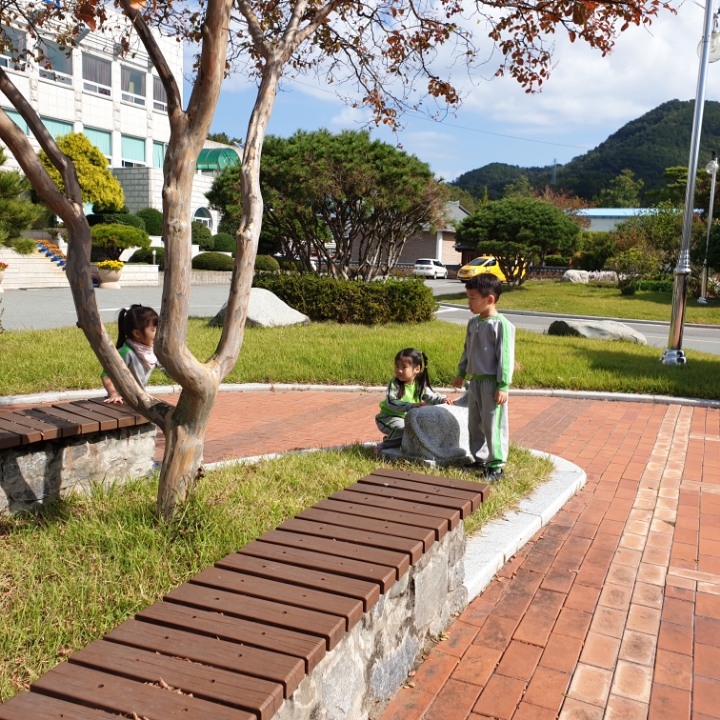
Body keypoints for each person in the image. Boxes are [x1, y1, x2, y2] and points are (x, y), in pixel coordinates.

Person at [452, 274, 515, 481]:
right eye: (468, 297)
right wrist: (462, 372)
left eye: (472, 298)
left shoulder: (501, 325)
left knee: (493, 424)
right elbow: (467, 350)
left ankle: (496, 466)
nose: (468, 302)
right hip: (475, 382)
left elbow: (505, 357)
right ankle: (479, 459)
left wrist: (503, 385)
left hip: (491, 384)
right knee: (475, 423)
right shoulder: (473, 322)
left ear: (489, 299)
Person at [376, 348, 453, 453]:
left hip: (408, 418)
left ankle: (399, 442)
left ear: (417, 369)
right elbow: (391, 401)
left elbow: (431, 396)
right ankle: (384, 446)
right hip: (389, 417)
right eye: (397, 366)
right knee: (403, 429)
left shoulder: (420, 384)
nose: (399, 370)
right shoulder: (395, 383)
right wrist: (411, 405)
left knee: (420, 430)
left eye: (404, 367)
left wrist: (442, 399)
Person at [102, 304, 164, 403]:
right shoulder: (126, 352)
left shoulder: (152, 351)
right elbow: (106, 375)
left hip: (138, 399)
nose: (158, 334)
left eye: (158, 329)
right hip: (121, 400)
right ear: (137, 333)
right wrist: (114, 394)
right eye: (153, 330)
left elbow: (167, 370)